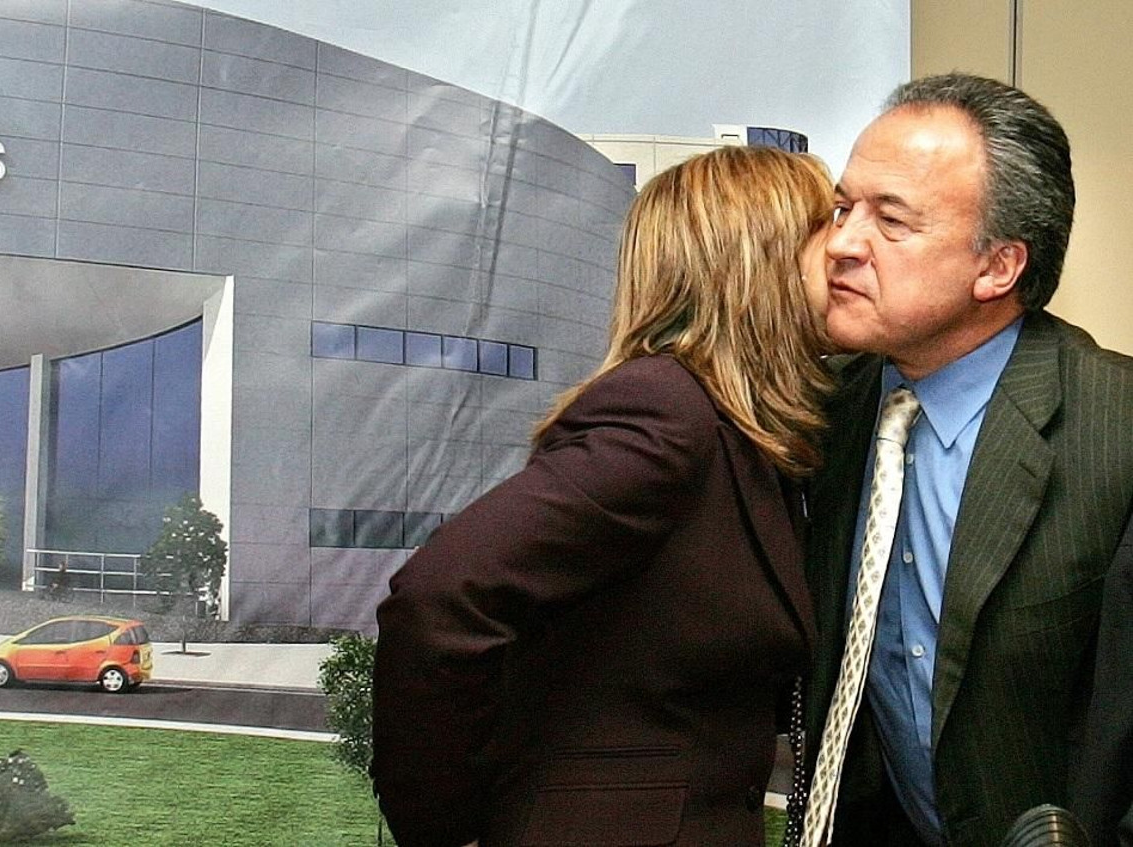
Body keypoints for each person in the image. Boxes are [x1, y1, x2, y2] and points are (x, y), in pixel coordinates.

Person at [371, 145, 837, 847]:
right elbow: (440, 596)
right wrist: (446, 831)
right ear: (760, 259)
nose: (853, 249)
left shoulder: (749, 438)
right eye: (829, 228)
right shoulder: (665, 413)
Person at [799, 73, 1133, 847]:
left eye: (892, 220)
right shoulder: (827, 407)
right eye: (845, 208)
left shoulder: (1113, 431)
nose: (843, 243)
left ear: (998, 268)